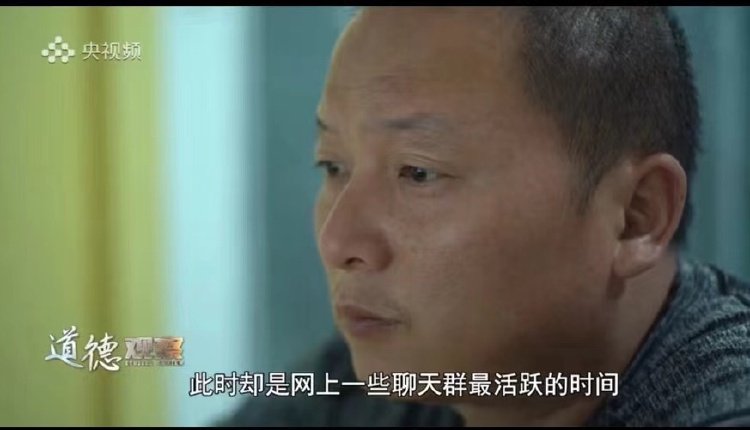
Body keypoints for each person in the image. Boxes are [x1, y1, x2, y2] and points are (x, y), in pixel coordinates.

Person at [219, 6, 750, 426]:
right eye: (333, 166)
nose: (337, 241)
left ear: (636, 216)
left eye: (418, 173)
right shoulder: (379, 386)